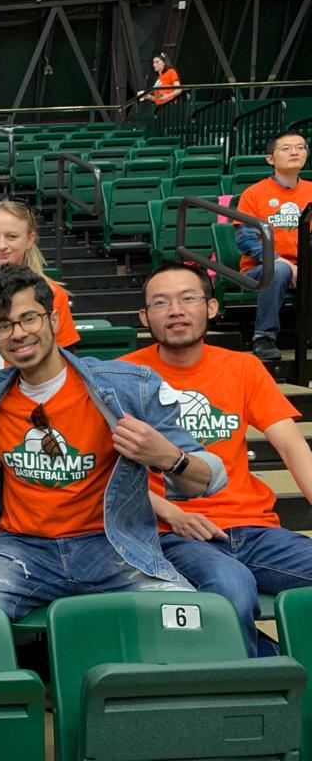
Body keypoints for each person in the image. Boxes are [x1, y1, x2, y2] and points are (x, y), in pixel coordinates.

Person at [0, 264, 227, 621]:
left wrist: (170, 457)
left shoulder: (125, 387)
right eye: (4, 325)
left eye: (29, 318)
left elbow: (211, 476)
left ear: (54, 320)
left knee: (191, 623)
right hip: (21, 551)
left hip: (110, 546)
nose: (19, 334)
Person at [121, 263, 312, 656]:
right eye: (161, 302)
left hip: (252, 527)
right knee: (231, 590)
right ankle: (258, 690)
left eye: (187, 298)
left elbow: (293, 447)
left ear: (211, 308)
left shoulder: (243, 367)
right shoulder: (123, 375)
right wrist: (172, 515)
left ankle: (279, 676)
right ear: (144, 317)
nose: (175, 310)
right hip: (171, 534)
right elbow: (110, 476)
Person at [235, 130, 312, 361]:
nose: (295, 152)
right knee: (280, 270)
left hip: (304, 264)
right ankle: (264, 337)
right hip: (261, 269)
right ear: (271, 159)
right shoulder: (254, 194)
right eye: (286, 148)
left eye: (300, 147)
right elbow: (246, 239)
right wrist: (281, 260)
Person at [0, 200, 79, 350]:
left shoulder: (54, 294)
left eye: (12, 236)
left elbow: (65, 359)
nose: (1, 246)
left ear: (30, 239)